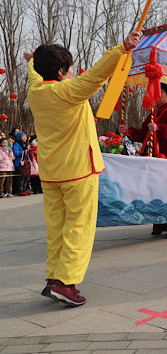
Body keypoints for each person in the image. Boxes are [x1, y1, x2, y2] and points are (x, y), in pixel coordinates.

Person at [25, 31, 140, 306]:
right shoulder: (68, 91)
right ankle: (65, 282)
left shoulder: (35, 90)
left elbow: (33, 73)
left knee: (56, 228)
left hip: (51, 173)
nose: (74, 73)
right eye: (71, 69)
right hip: (78, 170)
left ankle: (54, 276)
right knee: (79, 227)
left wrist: (32, 61)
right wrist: (122, 48)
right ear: (62, 72)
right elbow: (97, 75)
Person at [119, 83, 167, 238]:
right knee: (157, 189)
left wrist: (159, 128)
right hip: (156, 155)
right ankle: (159, 223)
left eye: (161, 92)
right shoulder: (153, 112)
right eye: (156, 93)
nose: (158, 96)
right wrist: (128, 131)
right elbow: (143, 133)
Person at [12, 131, 32, 196]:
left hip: (27, 162)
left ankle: (25, 188)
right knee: (21, 176)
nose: (24, 138)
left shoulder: (27, 145)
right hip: (19, 163)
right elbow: (15, 153)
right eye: (23, 136)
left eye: (25, 137)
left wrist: (30, 153)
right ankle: (20, 189)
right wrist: (24, 152)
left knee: (27, 176)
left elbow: (30, 152)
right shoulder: (16, 144)